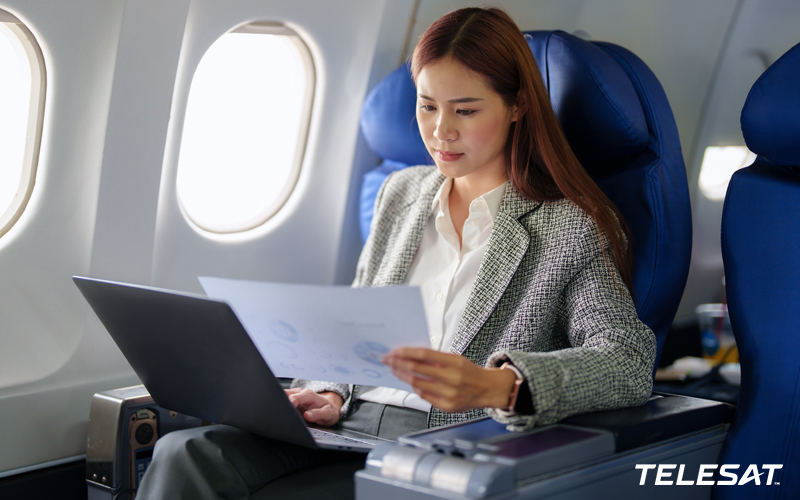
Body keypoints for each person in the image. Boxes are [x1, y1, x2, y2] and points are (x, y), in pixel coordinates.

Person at [137, 7, 655, 499]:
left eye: (466, 110)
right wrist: (330, 390)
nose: (440, 131)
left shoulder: (568, 225)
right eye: (427, 106)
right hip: (348, 421)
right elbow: (360, 322)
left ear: (517, 105)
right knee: (185, 452)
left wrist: (497, 386)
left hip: (446, 443)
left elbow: (627, 361)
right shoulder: (401, 193)